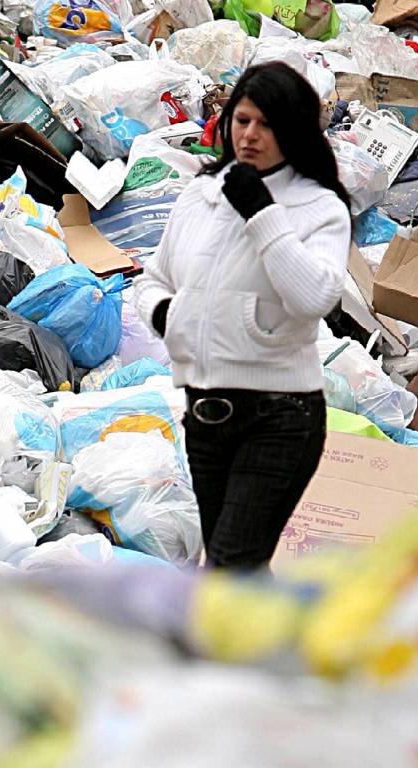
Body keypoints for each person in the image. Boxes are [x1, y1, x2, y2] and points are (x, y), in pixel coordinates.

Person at [138, 62, 351, 570]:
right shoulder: (201, 193)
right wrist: (169, 316)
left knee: (232, 568)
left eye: (267, 125)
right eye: (242, 120)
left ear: (294, 130)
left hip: (279, 417)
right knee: (234, 568)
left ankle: (233, 649)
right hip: (205, 413)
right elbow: (153, 278)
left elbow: (314, 297)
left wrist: (262, 214)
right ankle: (269, 646)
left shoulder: (319, 207)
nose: (250, 136)